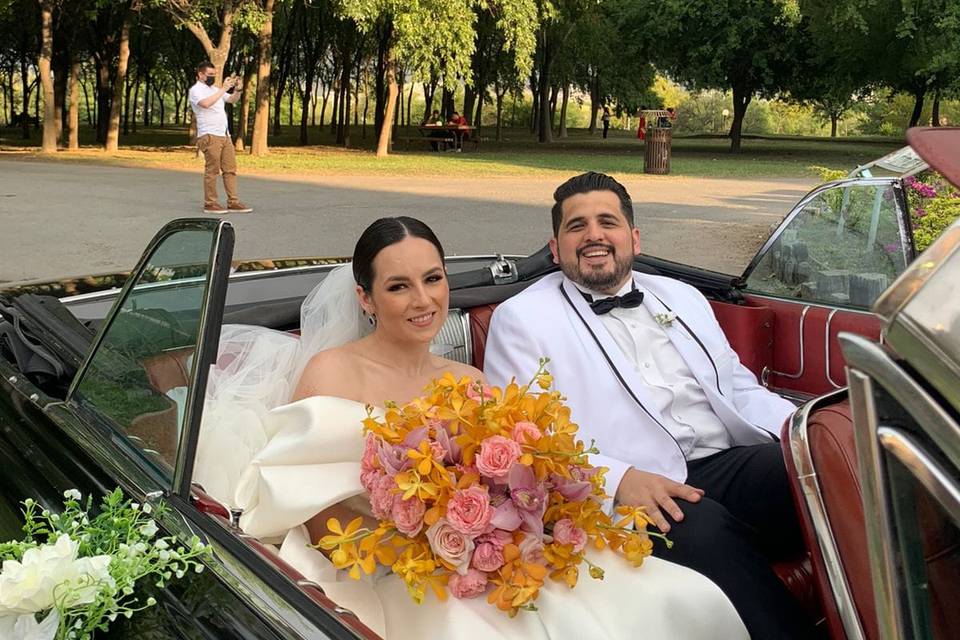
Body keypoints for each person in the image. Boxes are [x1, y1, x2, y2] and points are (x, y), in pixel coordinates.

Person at [231, 216, 749, 640]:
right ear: (365, 298)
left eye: (433, 279)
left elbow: (518, 487)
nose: (423, 300)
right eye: (397, 287)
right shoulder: (332, 372)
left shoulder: (471, 382)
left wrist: (499, 540)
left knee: (657, 597)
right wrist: (435, 551)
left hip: (488, 560)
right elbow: (314, 515)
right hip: (384, 569)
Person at [483, 172, 816, 639]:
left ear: (633, 238)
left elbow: (737, 387)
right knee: (700, 527)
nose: (594, 234)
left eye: (607, 222)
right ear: (555, 249)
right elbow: (527, 439)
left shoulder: (683, 296)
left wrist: (808, 430)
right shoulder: (521, 319)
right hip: (632, 483)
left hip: (721, 459)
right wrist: (619, 480)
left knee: (813, 472)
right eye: (576, 226)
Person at [188, 61, 252, 215]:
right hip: (209, 135)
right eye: (210, 75)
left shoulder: (215, 89)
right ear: (200, 74)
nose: (212, 77)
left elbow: (231, 100)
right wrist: (223, 88)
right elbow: (205, 104)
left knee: (230, 169)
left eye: (214, 75)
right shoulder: (196, 90)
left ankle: (233, 201)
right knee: (212, 170)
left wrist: (238, 89)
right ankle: (210, 203)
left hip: (224, 134)